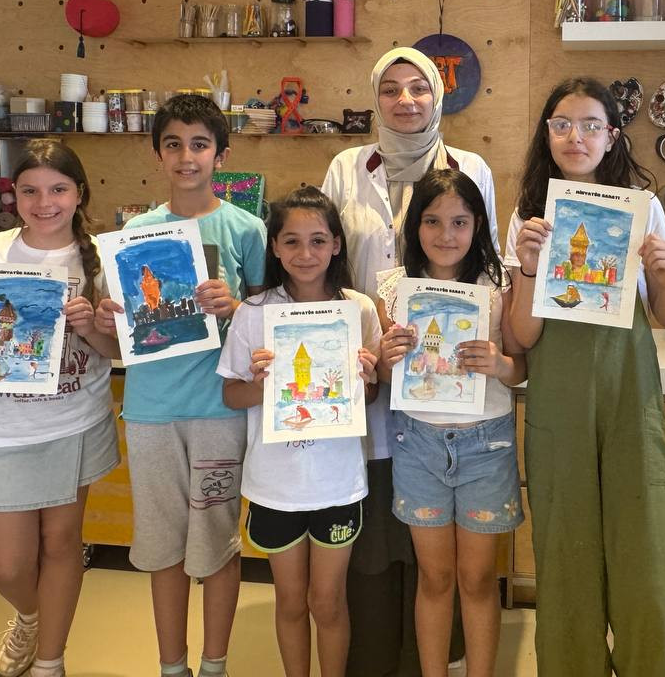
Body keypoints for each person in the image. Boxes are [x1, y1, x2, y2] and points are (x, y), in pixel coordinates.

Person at [322, 47, 496, 675]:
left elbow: (486, 264)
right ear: (375, 98)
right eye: (391, 88)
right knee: (380, 516)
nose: (405, 100)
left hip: (446, 385)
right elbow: (329, 263)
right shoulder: (346, 167)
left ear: (438, 96)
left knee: (441, 528)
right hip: (371, 366)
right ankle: (377, 654)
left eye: (418, 87)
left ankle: (444, 657)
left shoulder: (470, 167)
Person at [506, 77, 665, 676]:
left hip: (629, 394)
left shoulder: (642, 207)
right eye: (562, 125)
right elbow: (521, 337)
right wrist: (528, 267)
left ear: (612, 136)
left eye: (590, 126)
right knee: (565, 548)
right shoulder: (529, 216)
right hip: (558, 398)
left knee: (643, 543)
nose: (575, 137)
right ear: (547, 134)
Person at [94, 94, 266, 677]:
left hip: (219, 410)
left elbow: (268, 318)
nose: (186, 157)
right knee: (161, 544)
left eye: (199, 144)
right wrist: (109, 316)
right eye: (173, 145)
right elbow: (120, 325)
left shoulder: (246, 229)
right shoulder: (134, 233)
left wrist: (235, 305)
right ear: (158, 154)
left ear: (222, 154)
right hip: (151, 410)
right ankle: (172, 666)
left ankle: (215, 664)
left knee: (217, 542)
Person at [0, 139, 120, 677]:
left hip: (74, 420)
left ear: (79, 193)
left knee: (62, 545)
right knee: (8, 565)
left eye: (58, 189)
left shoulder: (100, 258)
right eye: (30, 191)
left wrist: (89, 328)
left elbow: (115, 351)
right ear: (13, 196)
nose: (45, 203)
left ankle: (50, 661)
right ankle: (30, 615)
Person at [219, 186, 379, 677]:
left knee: (327, 601)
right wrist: (262, 384)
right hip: (275, 486)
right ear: (274, 247)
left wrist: (367, 379)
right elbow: (231, 395)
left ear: (336, 245)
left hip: (337, 483)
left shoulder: (359, 309)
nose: (305, 253)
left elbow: (370, 398)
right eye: (291, 241)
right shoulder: (253, 313)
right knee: (289, 602)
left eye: (318, 240)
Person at [377, 168, 525, 677]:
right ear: (415, 226)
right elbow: (385, 375)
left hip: (487, 445)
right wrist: (386, 358)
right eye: (433, 221)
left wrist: (500, 364)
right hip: (418, 443)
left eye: (460, 222)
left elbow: (522, 367)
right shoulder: (395, 289)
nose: (446, 234)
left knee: (478, 579)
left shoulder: (498, 284)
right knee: (435, 577)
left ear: (478, 224)